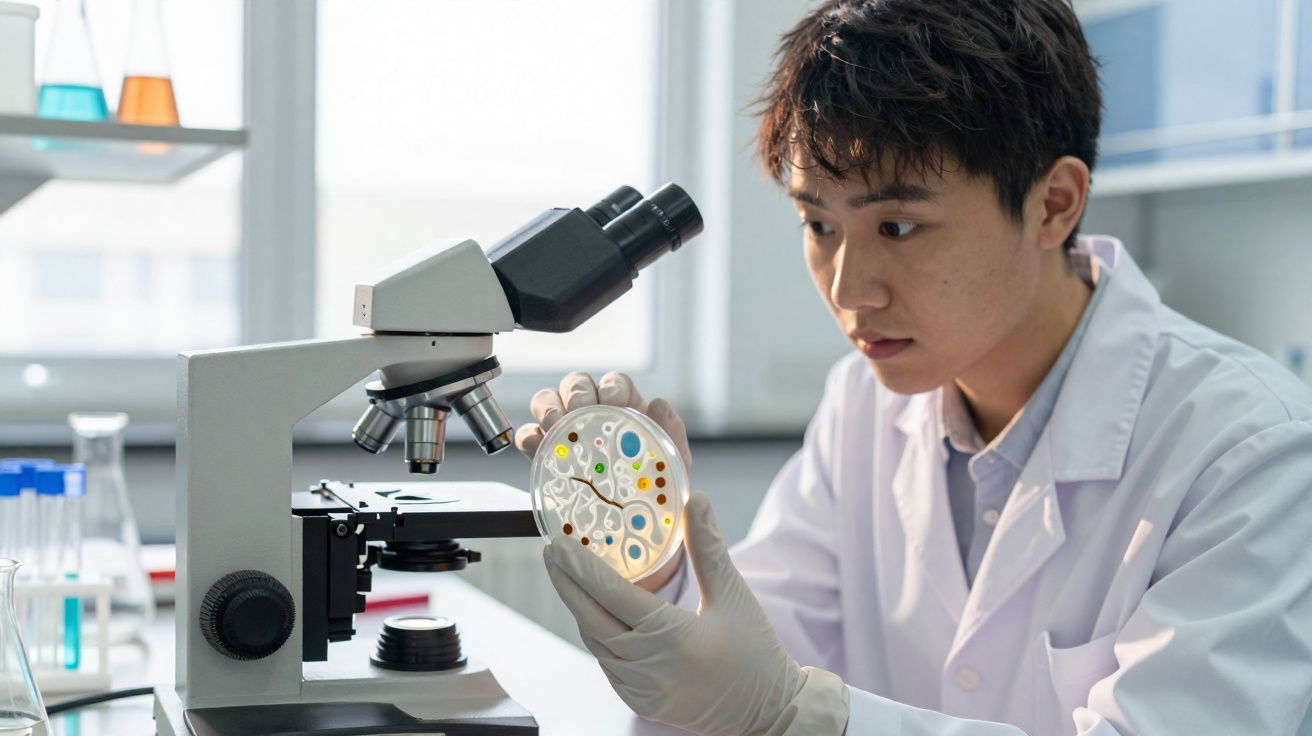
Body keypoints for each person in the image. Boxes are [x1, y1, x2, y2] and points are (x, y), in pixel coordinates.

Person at [515, 1, 1312, 733]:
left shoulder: (1249, 454)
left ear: (1055, 204)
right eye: (819, 223)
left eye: (897, 225)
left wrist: (800, 717)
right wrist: (650, 545)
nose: (848, 288)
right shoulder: (862, 404)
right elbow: (756, 647)